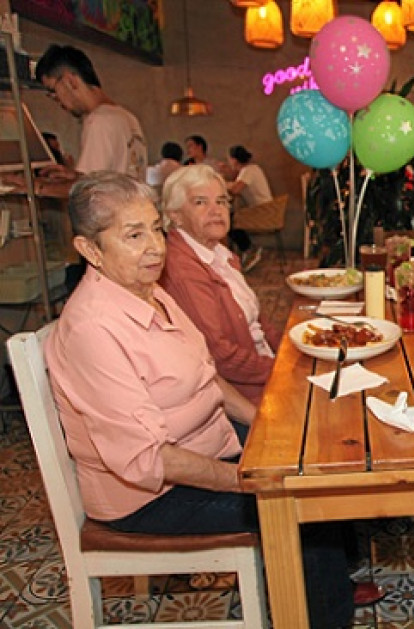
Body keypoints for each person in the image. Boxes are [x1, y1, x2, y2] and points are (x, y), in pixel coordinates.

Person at [44, 171, 356, 627]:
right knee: (305, 509)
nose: (154, 246)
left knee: (311, 449)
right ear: (90, 249)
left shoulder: (151, 294)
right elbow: (151, 460)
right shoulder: (93, 328)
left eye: (155, 228)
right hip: (152, 496)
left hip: (207, 446)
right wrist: (247, 479)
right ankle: (322, 607)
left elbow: (210, 380)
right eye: (134, 235)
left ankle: (323, 587)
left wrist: (267, 429)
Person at [159, 165, 279, 405]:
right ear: (175, 215)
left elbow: (258, 321)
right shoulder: (183, 269)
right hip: (240, 396)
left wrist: (290, 353)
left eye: (222, 201)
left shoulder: (219, 254)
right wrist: (281, 369)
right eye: (201, 202)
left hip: (263, 368)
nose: (216, 211)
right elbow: (219, 355)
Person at [23, 45, 147, 198]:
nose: (56, 100)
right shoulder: (126, 116)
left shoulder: (99, 121)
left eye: (53, 91)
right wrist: (74, 176)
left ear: (70, 81)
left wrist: (33, 187)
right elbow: (110, 180)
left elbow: (87, 191)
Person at [225, 145, 268, 271]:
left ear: (234, 160)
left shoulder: (248, 171)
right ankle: (245, 250)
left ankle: (248, 249)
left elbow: (236, 189)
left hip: (262, 211)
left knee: (229, 223)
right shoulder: (253, 169)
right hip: (266, 209)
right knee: (231, 219)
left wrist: (222, 183)